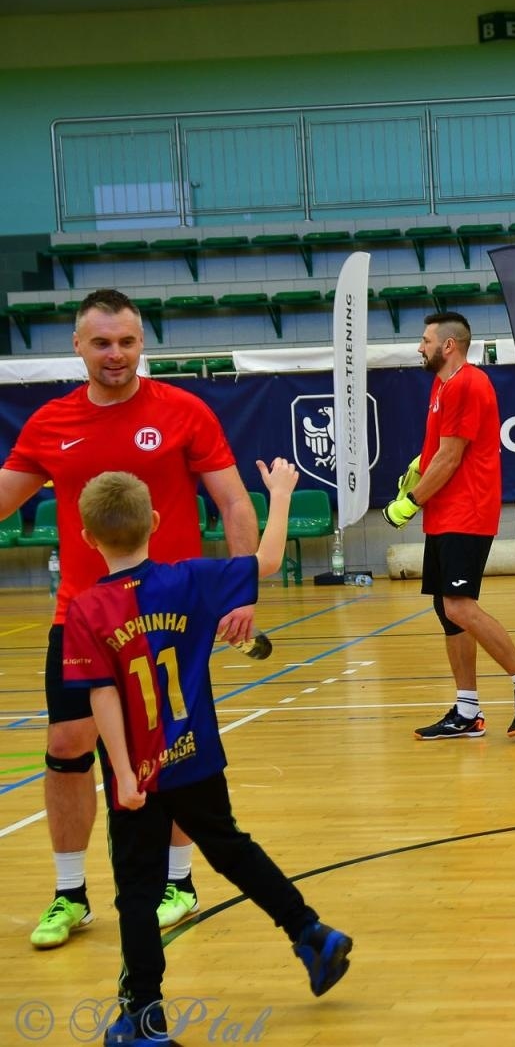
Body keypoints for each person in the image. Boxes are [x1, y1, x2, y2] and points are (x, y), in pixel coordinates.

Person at [0, 289, 264, 948]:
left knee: (165, 751)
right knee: (66, 744)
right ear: (78, 346)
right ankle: (69, 894)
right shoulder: (49, 423)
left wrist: (241, 590)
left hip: (168, 620)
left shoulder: (184, 411)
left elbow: (233, 504)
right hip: (83, 619)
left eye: (127, 342)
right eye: (102, 343)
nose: (115, 354)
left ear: (141, 343)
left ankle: (179, 882)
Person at [67, 465, 352, 1046]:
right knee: (231, 848)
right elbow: (267, 562)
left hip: (139, 774)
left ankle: (144, 1018)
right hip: (194, 756)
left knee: (137, 893)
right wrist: (278, 495)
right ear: (154, 522)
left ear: (86, 537)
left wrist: (123, 773)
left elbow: (102, 696)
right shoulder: (191, 580)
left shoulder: (85, 610)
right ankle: (310, 932)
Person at [383, 311, 515, 738]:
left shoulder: (466, 383)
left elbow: (452, 456)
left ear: (448, 345)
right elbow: (442, 450)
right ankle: (467, 711)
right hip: (446, 513)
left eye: (425, 340)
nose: (419, 347)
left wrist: (410, 501)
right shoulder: (443, 385)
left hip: (467, 511)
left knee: (460, 605)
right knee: (448, 611)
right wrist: (421, 465)